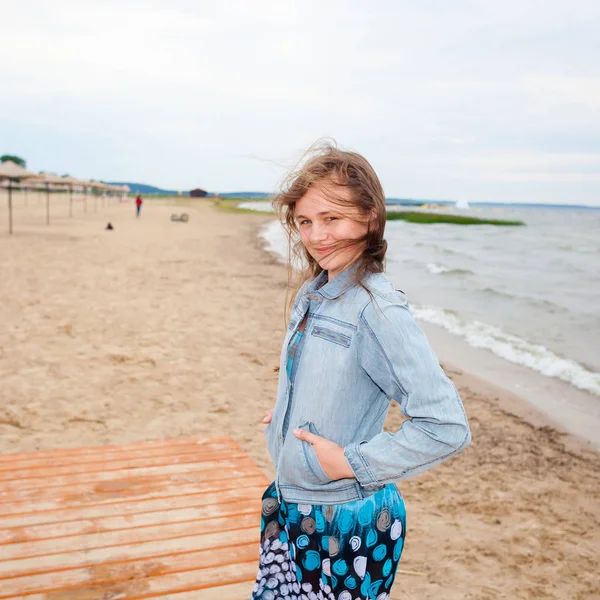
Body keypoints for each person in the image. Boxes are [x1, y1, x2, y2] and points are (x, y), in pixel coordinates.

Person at [251, 143, 471, 600]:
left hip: (344, 523)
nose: (316, 236)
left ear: (370, 217)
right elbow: (332, 375)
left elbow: (445, 425)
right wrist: (290, 412)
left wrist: (350, 463)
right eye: (306, 221)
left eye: (332, 219)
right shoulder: (318, 290)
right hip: (295, 504)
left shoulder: (378, 309)